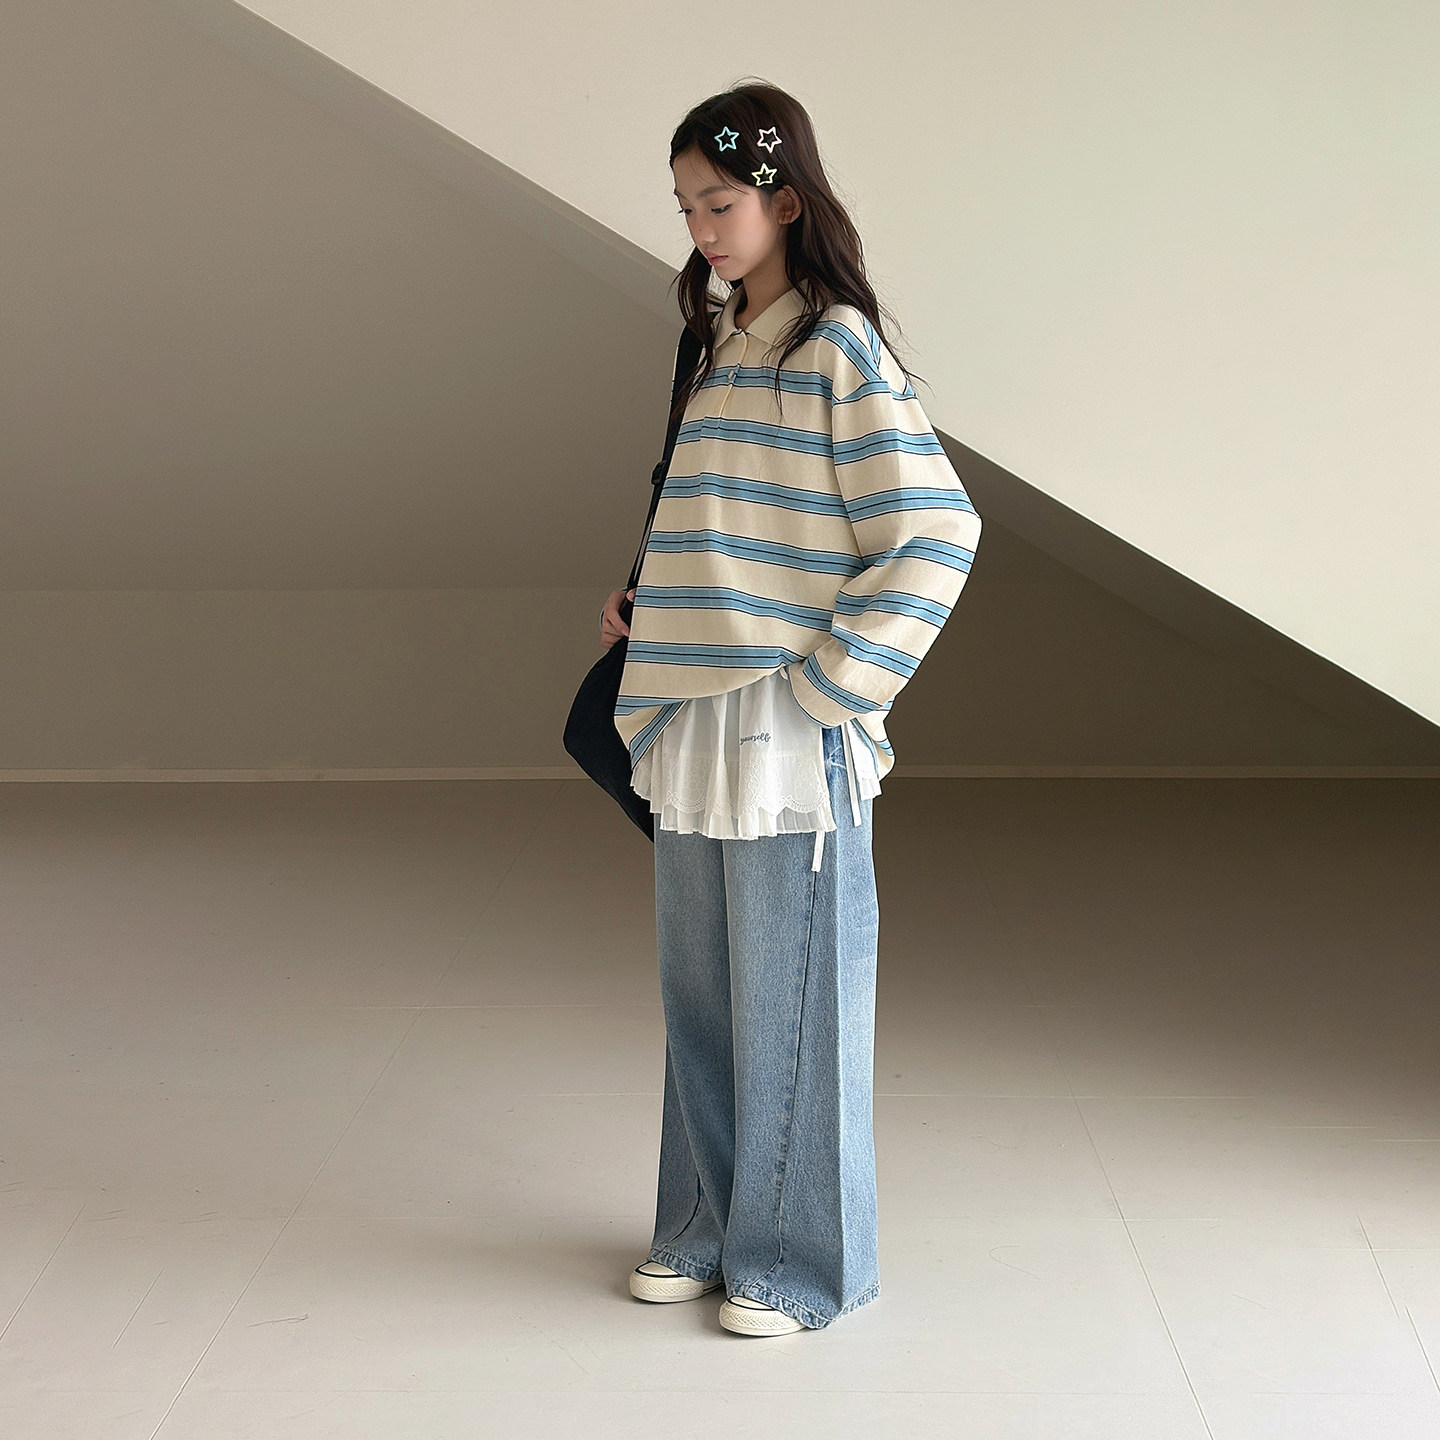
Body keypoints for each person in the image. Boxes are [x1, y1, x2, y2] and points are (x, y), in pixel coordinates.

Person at [597, 81, 981, 1336]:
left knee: (796, 1000)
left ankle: (802, 1266)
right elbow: (726, 519)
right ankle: (703, 1229)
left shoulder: (836, 349)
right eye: (686, 207)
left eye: (720, 202)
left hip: (780, 729)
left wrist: (832, 688)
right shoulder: (718, 340)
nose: (701, 228)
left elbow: (935, 531)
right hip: (693, 713)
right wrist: (650, 600)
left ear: (786, 200)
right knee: (703, 998)